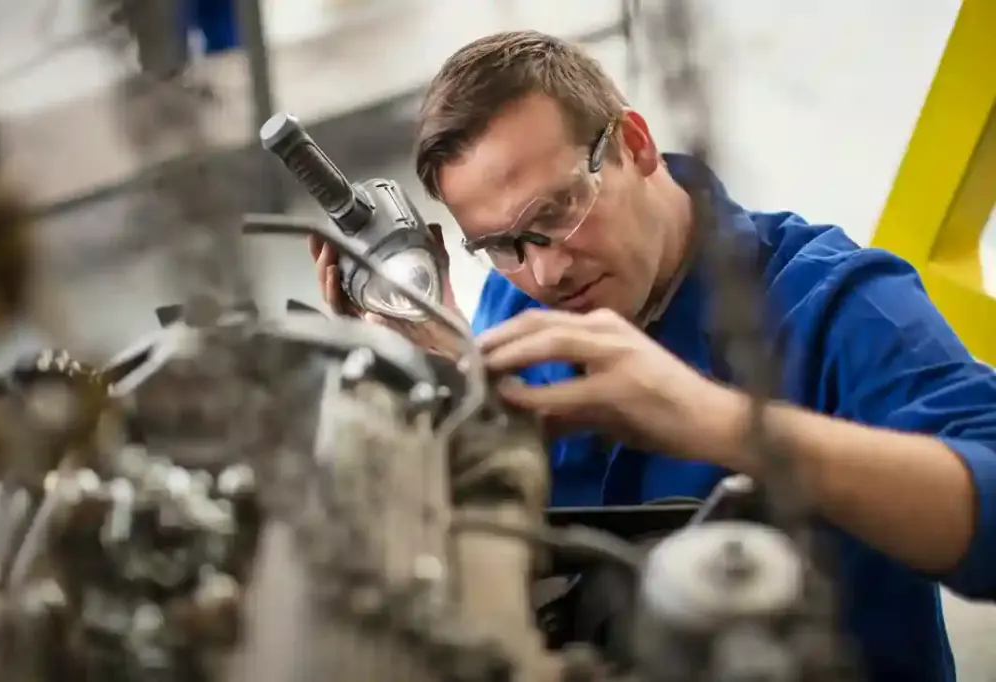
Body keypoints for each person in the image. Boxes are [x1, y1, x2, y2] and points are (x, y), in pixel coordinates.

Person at [310, 30, 996, 682]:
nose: (545, 273)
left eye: (558, 213)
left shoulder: (839, 306)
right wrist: (448, 371)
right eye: (501, 246)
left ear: (634, 145)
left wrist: (718, 421)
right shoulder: (514, 306)